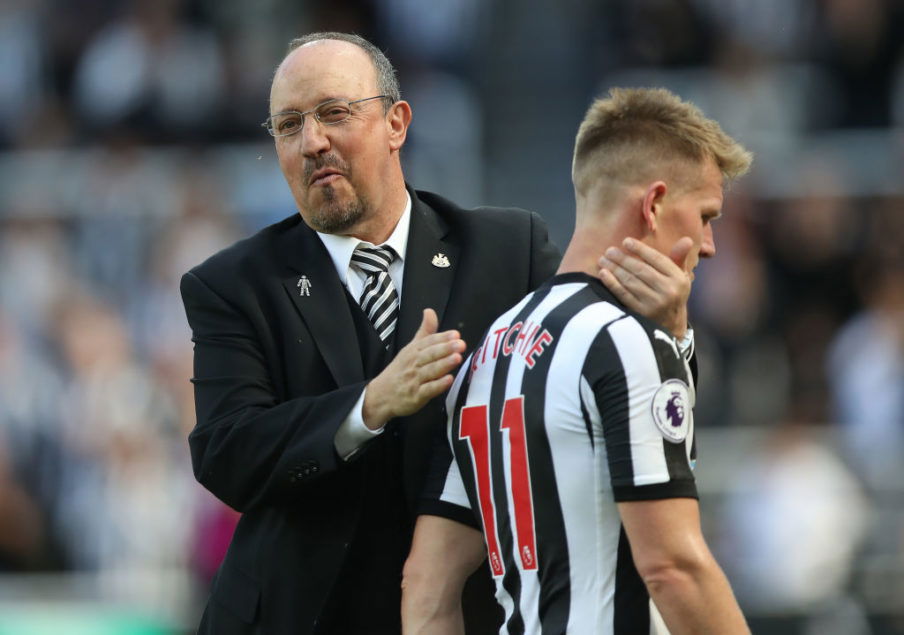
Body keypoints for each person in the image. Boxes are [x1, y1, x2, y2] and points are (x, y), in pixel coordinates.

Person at [181, 32, 693, 635]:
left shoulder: (508, 251)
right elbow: (226, 453)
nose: (311, 141)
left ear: (397, 123)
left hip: (465, 613)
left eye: (334, 114)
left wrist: (671, 338)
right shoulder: (232, 283)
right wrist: (368, 405)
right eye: (288, 126)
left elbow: (597, 386)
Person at [402, 87, 752, 634]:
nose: (708, 244)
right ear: (654, 204)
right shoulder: (627, 342)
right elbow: (672, 568)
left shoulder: (485, 355)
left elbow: (425, 588)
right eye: (705, 215)